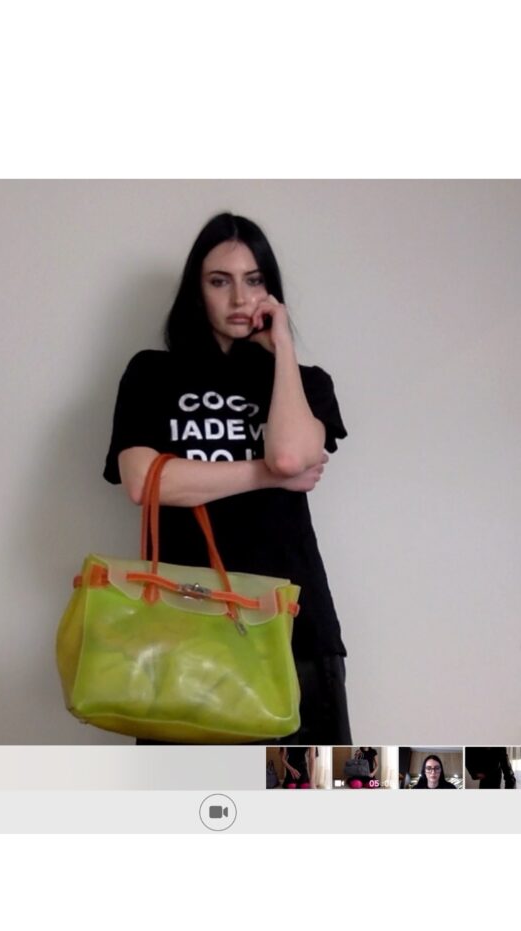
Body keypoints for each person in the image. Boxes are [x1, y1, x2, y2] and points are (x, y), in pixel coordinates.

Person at [103, 212, 350, 744]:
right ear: (197, 291)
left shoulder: (305, 384)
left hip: (292, 628)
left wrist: (283, 350)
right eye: (220, 281)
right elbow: (145, 484)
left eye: (254, 280)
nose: (240, 298)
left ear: (272, 291)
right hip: (182, 625)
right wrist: (264, 475)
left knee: (299, 790)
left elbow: (290, 456)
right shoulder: (152, 374)